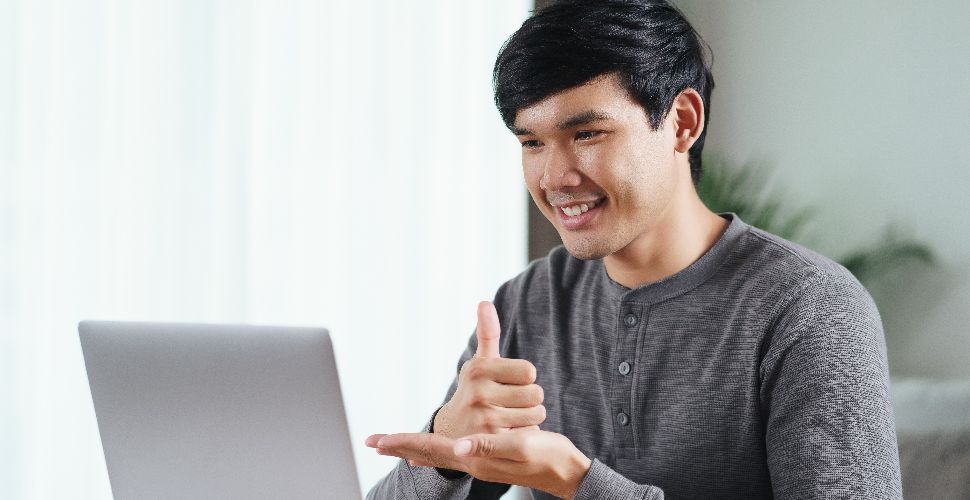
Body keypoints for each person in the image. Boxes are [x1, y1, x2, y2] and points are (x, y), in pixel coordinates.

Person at [365, 0, 903, 498]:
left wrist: (581, 483)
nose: (555, 177)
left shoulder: (812, 309)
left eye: (588, 134)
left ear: (682, 122)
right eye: (531, 142)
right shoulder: (529, 304)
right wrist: (446, 451)